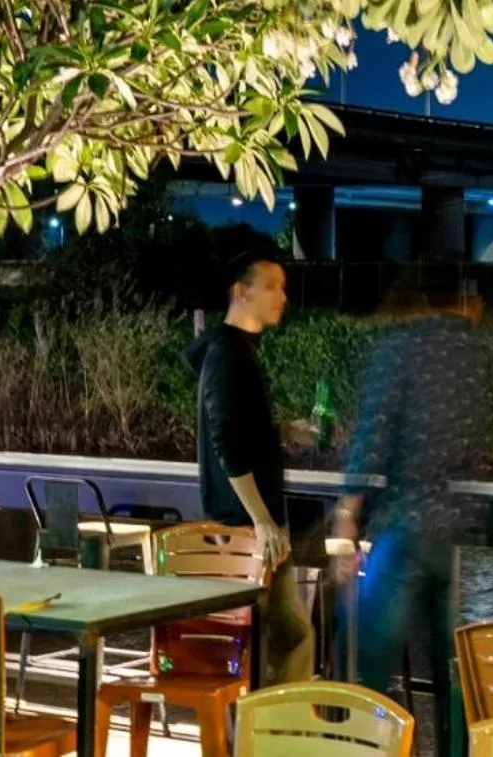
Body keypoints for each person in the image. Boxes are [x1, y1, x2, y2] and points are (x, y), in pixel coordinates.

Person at [332, 265, 493, 745]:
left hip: (409, 525)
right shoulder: (480, 354)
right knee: (459, 676)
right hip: (468, 530)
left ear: (420, 297)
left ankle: (362, 749)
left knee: (366, 655)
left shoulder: (399, 350)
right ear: (466, 300)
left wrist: (347, 519)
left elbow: (373, 436)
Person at [183, 244, 315, 681]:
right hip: (245, 529)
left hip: (248, 528)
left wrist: (280, 432)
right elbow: (227, 444)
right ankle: (274, 737)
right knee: (290, 640)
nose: (283, 297)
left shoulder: (229, 350)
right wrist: (261, 520)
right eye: (273, 286)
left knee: (274, 644)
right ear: (242, 292)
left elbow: (236, 431)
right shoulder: (228, 354)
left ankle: (264, 734)